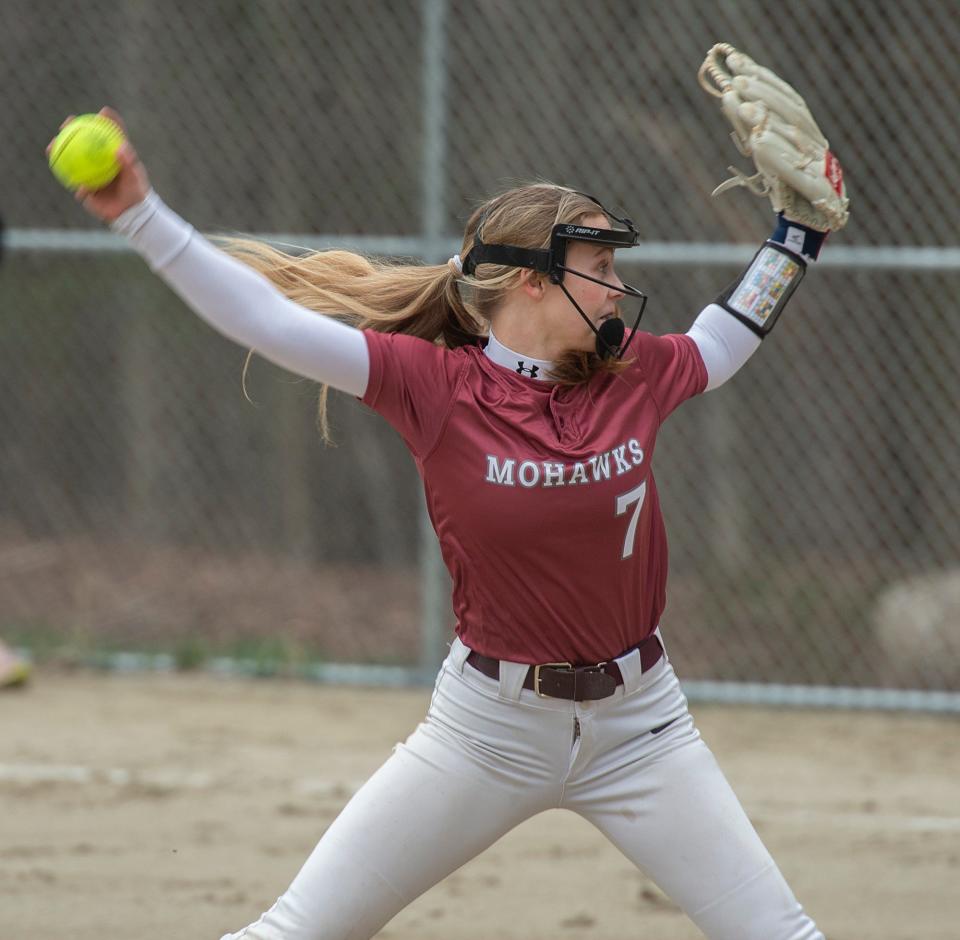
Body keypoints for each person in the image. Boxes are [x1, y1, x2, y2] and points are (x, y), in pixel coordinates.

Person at [52, 89, 837, 938]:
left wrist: (797, 240)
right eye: (600, 269)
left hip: (642, 725)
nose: (618, 289)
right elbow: (265, 318)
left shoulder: (635, 372)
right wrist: (138, 215)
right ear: (535, 282)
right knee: (297, 931)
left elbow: (730, 332)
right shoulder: (435, 388)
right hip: (488, 731)